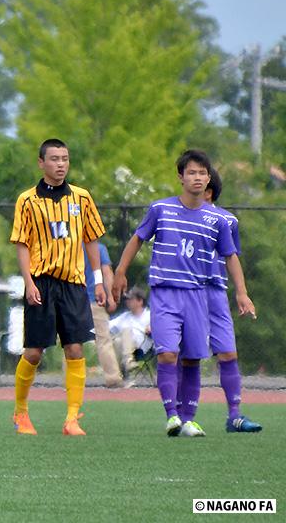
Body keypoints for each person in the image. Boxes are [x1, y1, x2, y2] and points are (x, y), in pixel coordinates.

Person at [113, 150, 256, 438]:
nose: (198, 178)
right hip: (166, 293)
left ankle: (190, 418)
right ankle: (172, 415)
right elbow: (138, 238)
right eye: (192, 172)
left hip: (198, 295)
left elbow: (231, 257)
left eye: (202, 173)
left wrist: (242, 292)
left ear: (209, 179)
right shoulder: (161, 209)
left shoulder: (218, 220)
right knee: (167, 354)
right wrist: (119, 272)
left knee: (192, 358)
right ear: (181, 177)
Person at [10, 138, 107, 436]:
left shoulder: (82, 198)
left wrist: (99, 280)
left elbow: (91, 239)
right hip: (41, 282)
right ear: (41, 163)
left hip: (74, 284)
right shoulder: (27, 200)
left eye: (65, 158)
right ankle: (21, 412)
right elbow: (22, 244)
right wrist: (28, 282)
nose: (60, 164)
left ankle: (72, 419)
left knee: (75, 349)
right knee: (35, 352)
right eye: (54, 159)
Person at [196, 168, 261, 432]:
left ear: (209, 191)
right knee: (182, 354)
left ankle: (234, 415)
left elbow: (231, 257)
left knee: (228, 352)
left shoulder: (227, 221)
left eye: (199, 180)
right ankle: (179, 413)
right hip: (187, 291)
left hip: (215, 292)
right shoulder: (177, 215)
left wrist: (241, 292)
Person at [83, 242, 122, 387]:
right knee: (103, 339)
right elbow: (106, 272)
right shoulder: (99, 248)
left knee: (72, 342)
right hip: (95, 299)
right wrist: (110, 297)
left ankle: (71, 378)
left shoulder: (71, 245)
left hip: (74, 300)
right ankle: (112, 378)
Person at [108, 287, 152, 375]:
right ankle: (125, 366)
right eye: (126, 299)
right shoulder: (125, 316)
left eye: (130, 299)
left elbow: (161, 328)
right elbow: (108, 326)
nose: (127, 302)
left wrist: (153, 328)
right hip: (124, 348)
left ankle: (125, 366)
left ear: (140, 301)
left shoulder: (150, 316)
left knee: (126, 330)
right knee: (115, 340)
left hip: (142, 349)